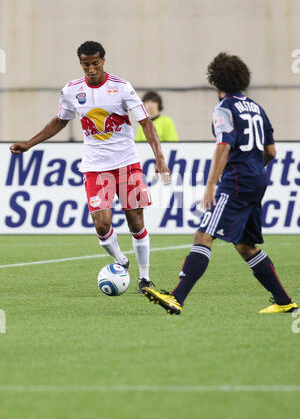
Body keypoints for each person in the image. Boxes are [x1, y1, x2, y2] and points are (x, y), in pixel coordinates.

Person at [10, 40, 170, 294]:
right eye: (86, 65)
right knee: (101, 223)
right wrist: (30, 144)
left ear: (103, 61)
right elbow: (59, 122)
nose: (91, 69)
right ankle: (121, 261)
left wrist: (159, 158)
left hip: (127, 163)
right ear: (81, 64)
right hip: (96, 167)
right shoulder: (72, 91)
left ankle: (144, 278)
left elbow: (146, 123)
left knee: (135, 221)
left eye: (95, 64)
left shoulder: (121, 87)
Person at [143, 52, 298, 314]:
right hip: (258, 179)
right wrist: (254, 171)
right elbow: (271, 152)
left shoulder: (224, 108)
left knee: (204, 235)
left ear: (216, 82)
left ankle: (176, 297)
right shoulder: (258, 109)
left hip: (236, 181)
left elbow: (224, 145)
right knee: (245, 245)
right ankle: (284, 301)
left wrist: (212, 184)